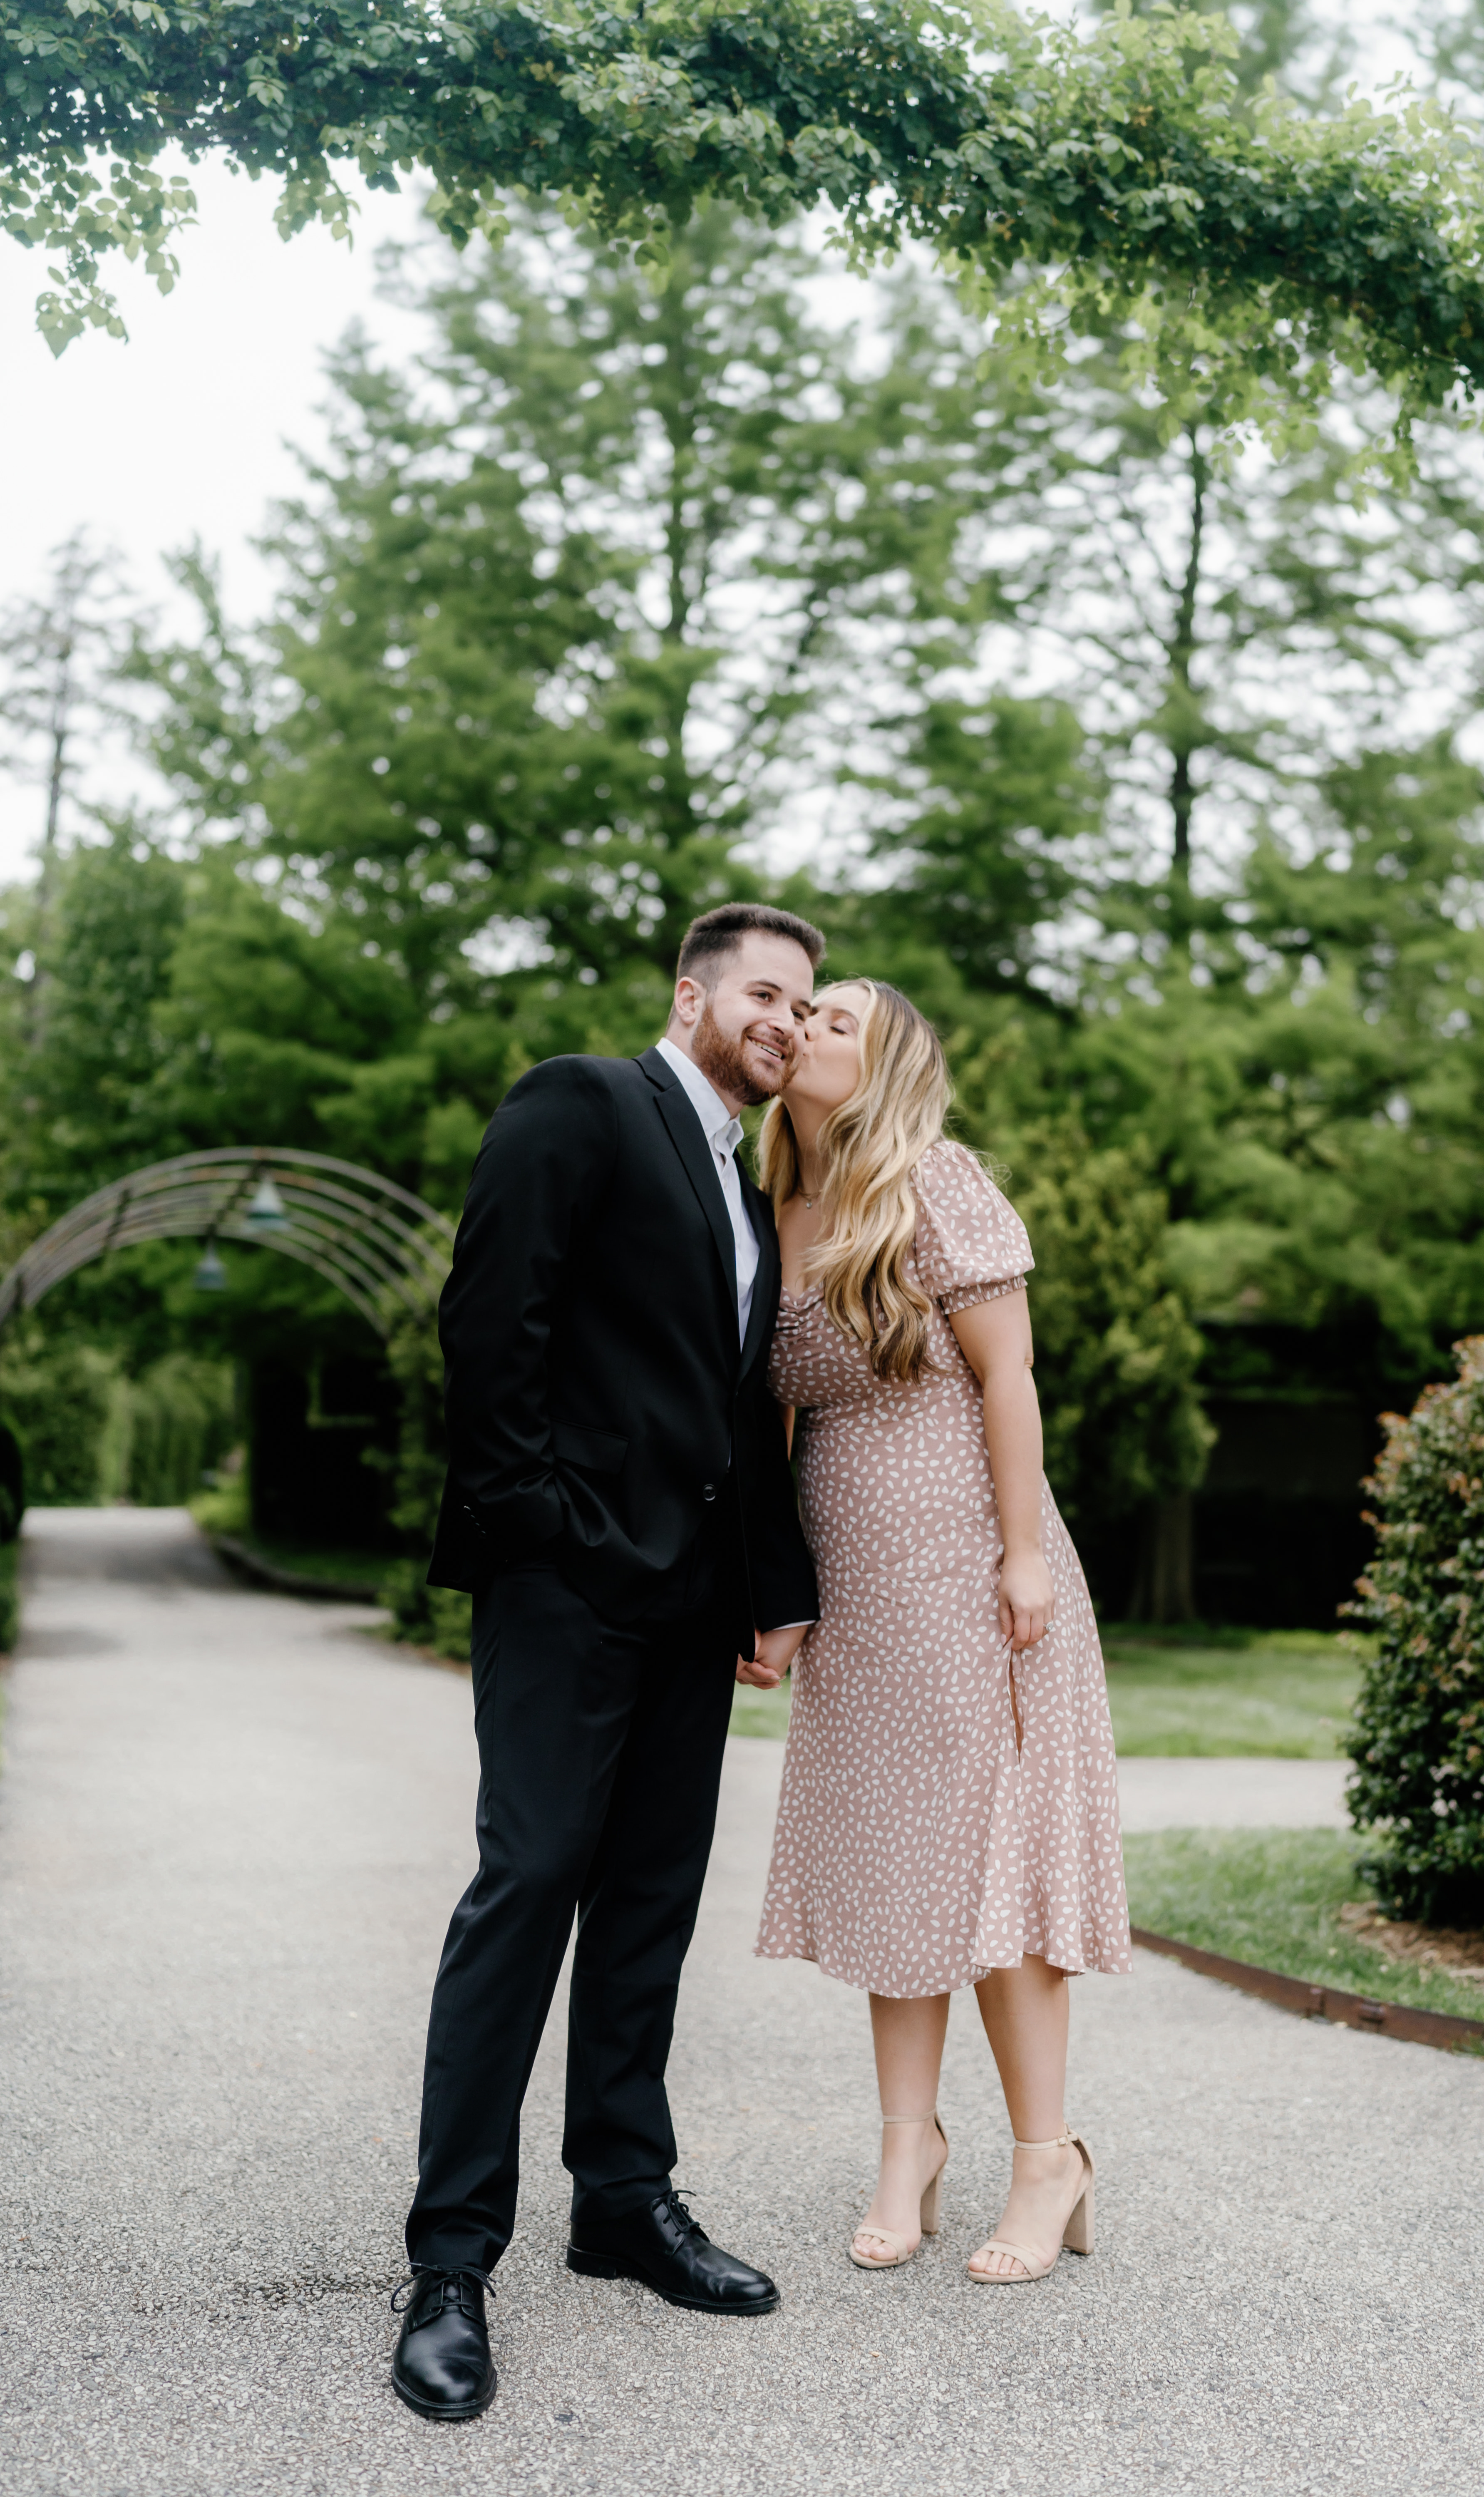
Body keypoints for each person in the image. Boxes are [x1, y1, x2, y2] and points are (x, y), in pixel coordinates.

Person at [392, 904, 823, 2421]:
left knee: (649, 1903)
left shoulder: (751, 1196)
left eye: (803, 1004)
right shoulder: (580, 1101)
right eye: (763, 993)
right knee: (531, 1887)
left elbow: (741, 1406)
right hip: (565, 1587)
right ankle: (450, 2261)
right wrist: (542, 1531)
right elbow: (488, 1319)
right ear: (691, 993)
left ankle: (622, 2201)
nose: (783, 1021)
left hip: (695, 1609)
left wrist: (775, 1591)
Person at [752, 979, 1131, 2284]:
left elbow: (1009, 1377)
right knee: (890, 1869)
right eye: (802, 1010)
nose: (809, 1027)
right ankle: (906, 2148)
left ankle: (1049, 2163)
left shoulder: (936, 1180)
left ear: (892, 1066)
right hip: (857, 1593)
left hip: (976, 1574)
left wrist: (1024, 1556)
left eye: (841, 1019)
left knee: (996, 1876)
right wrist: (781, 1596)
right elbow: (780, 1429)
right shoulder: (772, 1207)